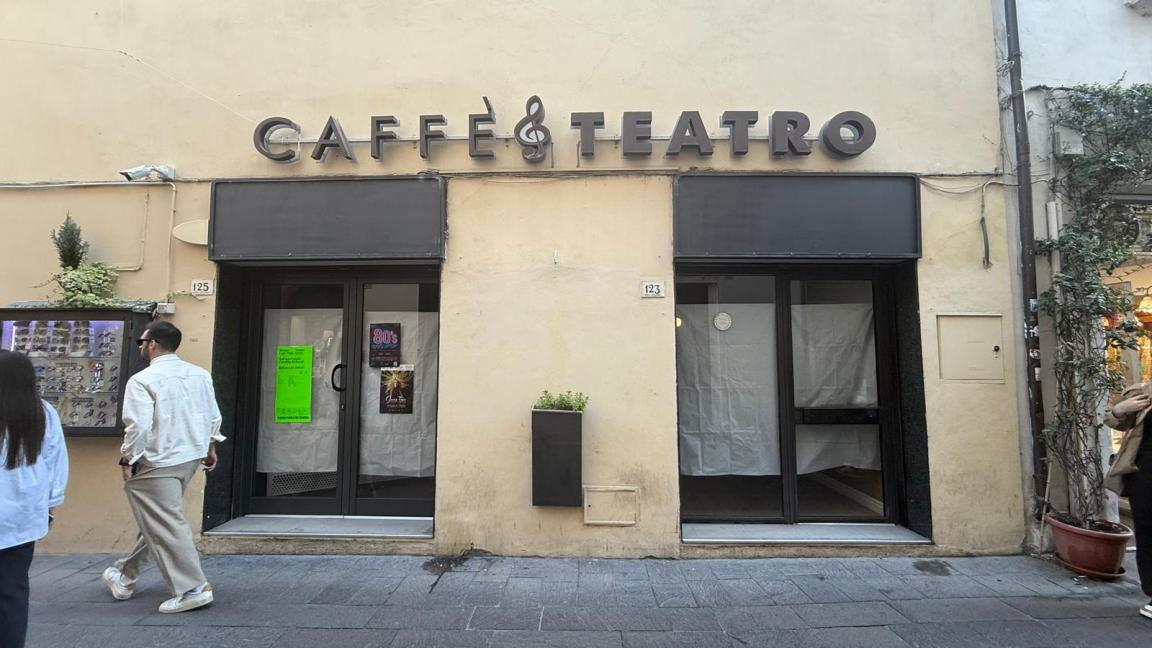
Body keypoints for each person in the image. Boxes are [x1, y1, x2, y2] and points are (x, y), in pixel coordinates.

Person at [101, 321, 224, 614]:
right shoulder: (199, 374)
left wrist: (128, 458)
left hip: (158, 459)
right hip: (190, 456)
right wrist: (210, 447)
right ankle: (124, 574)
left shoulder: (142, 380)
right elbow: (212, 415)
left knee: (167, 522)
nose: (141, 347)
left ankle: (193, 588)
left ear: (152, 343)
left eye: (141, 342)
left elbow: (138, 426)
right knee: (160, 517)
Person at [0, 349, 68, 648]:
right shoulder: (42, 412)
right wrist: (52, 504)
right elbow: (55, 460)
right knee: (12, 591)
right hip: (23, 514)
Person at [1105, 384, 1152, 620]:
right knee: (1147, 531)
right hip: (1145, 472)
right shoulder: (1144, 393)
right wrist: (1119, 410)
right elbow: (1116, 422)